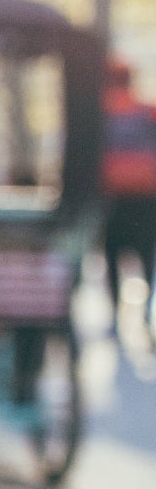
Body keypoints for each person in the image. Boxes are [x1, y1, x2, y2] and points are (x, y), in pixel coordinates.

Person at [103, 57, 156, 331]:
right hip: (147, 198)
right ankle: (146, 312)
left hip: (113, 200)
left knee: (112, 257)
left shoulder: (99, 115)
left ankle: (115, 314)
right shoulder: (148, 112)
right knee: (147, 256)